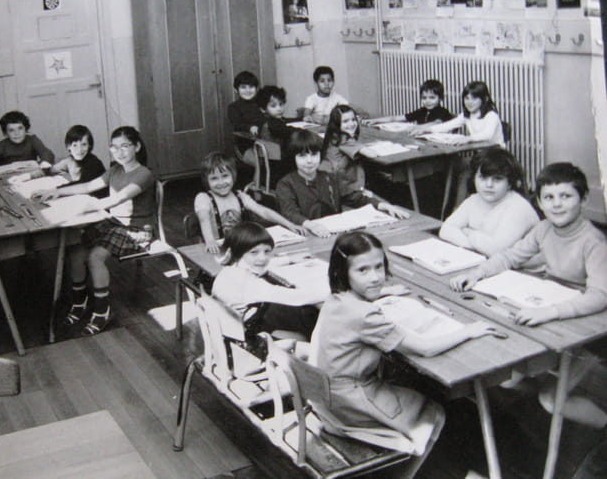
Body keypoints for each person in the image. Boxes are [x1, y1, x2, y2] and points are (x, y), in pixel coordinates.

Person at [310, 231, 494, 477]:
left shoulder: (336, 299)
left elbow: (358, 311)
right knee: (440, 410)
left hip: (328, 399)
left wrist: (385, 292)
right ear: (343, 273)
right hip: (351, 406)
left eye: (379, 267)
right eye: (363, 270)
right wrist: (469, 331)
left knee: (412, 382)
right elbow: (425, 348)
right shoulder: (365, 315)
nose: (376, 277)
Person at [451, 162, 607, 429]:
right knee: (508, 378)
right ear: (540, 203)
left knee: (551, 400)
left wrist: (549, 312)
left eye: (566, 196)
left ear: (583, 199)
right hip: (558, 316)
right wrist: (478, 272)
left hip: (590, 333)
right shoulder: (544, 229)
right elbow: (511, 256)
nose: (557, 204)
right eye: (549, 197)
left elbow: (600, 296)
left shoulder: (594, 241)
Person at [34, 126, 155, 335]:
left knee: (95, 257)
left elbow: (119, 198)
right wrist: (56, 192)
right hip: (113, 223)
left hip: (135, 230)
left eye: (125, 146)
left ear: (136, 147)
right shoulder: (115, 170)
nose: (119, 152)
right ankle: (79, 301)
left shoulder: (144, 174)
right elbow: (88, 186)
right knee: (75, 247)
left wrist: (87, 206)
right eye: (114, 147)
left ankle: (102, 311)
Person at [276, 130, 407, 237]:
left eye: (314, 154)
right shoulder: (286, 184)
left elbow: (355, 198)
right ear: (293, 158)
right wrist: (311, 225)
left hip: (333, 234)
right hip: (306, 235)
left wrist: (383, 205)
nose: (309, 161)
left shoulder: (330, 177)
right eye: (302, 156)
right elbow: (290, 212)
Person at [211, 221, 324, 341]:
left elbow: (258, 265)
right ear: (237, 252)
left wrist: (288, 259)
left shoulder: (230, 270)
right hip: (245, 337)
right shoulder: (250, 284)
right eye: (254, 252)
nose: (263, 258)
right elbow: (296, 297)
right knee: (305, 332)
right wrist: (332, 291)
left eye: (267, 251)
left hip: (232, 327)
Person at [413, 81, 506, 208]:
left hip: (496, 155)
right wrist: (427, 130)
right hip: (480, 155)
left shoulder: (491, 115)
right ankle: (448, 205)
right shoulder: (467, 115)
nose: (469, 102)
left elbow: (487, 135)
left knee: (464, 170)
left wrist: (468, 139)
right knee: (452, 165)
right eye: (466, 98)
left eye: (474, 98)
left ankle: (458, 207)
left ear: (485, 99)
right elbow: (448, 125)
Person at [194, 152, 305, 254]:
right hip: (216, 249)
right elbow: (204, 220)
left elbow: (264, 212)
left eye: (225, 176)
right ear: (206, 180)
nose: (221, 182)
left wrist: (289, 224)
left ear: (233, 175)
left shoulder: (240, 196)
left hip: (241, 247)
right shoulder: (203, 198)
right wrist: (210, 241)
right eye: (214, 178)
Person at [439, 148, 540, 257]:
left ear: (510, 183)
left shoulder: (518, 207)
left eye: (497, 179)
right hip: (490, 260)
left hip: (526, 267)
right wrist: (475, 245)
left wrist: (469, 233)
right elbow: (445, 230)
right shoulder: (473, 200)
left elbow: (496, 250)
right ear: (474, 178)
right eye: (483, 178)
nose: (489, 185)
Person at [0, 110, 55, 177]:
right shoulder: (2, 145)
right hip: (9, 177)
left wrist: (44, 163)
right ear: (6, 133)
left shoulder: (32, 140)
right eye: (11, 130)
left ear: (26, 129)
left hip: (30, 174)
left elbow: (46, 153)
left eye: (20, 128)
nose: (16, 133)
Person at [48, 124, 107, 198]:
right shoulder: (70, 159)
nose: (79, 150)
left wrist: (56, 189)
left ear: (89, 145)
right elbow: (52, 169)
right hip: (83, 197)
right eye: (75, 145)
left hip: (98, 200)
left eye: (84, 144)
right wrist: (43, 171)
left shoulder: (93, 162)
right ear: (68, 146)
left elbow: (82, 184)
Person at [319, 104, 368, 192]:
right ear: (336, 124)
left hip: (330, 179)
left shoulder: (333, 135)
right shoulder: (343, 139)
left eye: (353, 119)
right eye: (345, 121)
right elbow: (372, 154)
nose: (351, 124)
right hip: (342, 185)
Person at [364, 79, 454, 127]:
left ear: (441, 98)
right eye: (424, 98)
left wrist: (418, 128)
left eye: (432, 98)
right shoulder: (422, 111)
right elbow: (395, 118)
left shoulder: (443, 112)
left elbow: (436, 123)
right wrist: (375, 120)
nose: (427, 101)